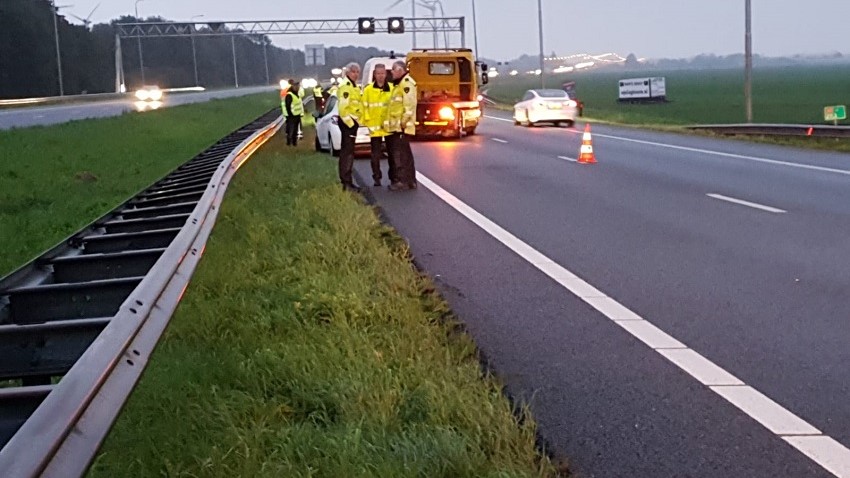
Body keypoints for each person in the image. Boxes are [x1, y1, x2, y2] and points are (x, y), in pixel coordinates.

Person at [362, 64, 397, 187]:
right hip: (374, 128)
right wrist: (367, 122)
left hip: (389, 128)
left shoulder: (392, 89)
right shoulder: (368, 90)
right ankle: (377, 177)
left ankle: (393, 178)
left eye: (382, 73)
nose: (381, 76)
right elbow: (364, 107)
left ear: (386, 74)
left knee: (392, 155)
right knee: (375, 156)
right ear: (374, 75)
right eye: (378, 74)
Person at [387, 60, 418, 191]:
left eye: (393, 70)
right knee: (405, 154)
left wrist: (403, 122)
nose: (392, 73)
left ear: (400, 70)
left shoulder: (406, 84)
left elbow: (409, 105)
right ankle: (410, 181)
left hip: (401, 127)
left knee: (400, 155)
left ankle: (403, 181)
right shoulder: (399, 84)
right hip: (400, 126)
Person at [337, 63, 363, 192]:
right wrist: (352, 124)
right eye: (353, 71)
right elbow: (343, 109)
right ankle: (346, 182)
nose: (356, 74)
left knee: (350, 152)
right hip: (348, 123)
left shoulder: (354, 87)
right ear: (347, 73)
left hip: (352, 123)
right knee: (347, 153)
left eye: (358, 71)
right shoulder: (346, 86)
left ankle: (348, 180)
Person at [283, 80, 303, 146]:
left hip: (297, 115)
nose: (297, 88)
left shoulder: (297, 94)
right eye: (296, 86)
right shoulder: (289, 95)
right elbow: (288, 105)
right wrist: (290, 114)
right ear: (293, 86)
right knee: (291, 130)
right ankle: (289, 142)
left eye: (298, 86)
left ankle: (294, 143)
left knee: (295, 130)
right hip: (292, 116)